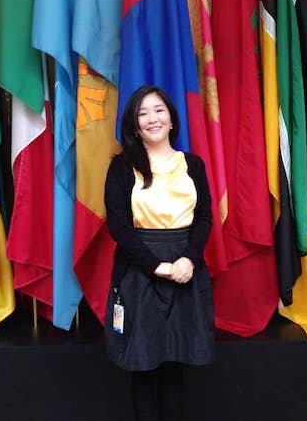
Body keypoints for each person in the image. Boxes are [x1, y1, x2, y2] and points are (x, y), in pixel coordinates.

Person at [104, 86, 215, 421]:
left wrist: (188, 260)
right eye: (143, 113)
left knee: (174, 365)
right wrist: (157, 267)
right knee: (144, 367)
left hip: (185, 269)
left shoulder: (192, 165)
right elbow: (119, 227)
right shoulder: (122, 168)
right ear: (135, 126)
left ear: (171, 118)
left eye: (159, 110)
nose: (152, 118)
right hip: (140, 272)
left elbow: (205, 217)